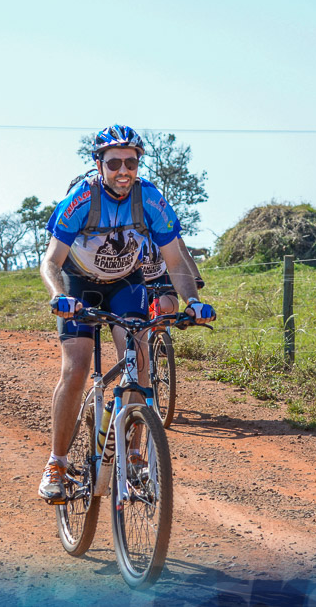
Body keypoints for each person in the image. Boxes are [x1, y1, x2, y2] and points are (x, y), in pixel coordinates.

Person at [37, 124, 215, 502]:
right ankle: (57, 461)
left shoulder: (150, 199)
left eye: (130, 162)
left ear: (138, 164)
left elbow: (175, 259)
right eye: (114, 162)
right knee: (77, 368)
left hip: (125, 283)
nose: (123, 170)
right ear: (98, 163)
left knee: (140, 362)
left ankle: (134, 454)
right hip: (79, 283)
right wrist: (58, 295)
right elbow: (51, 261)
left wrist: (192, 302)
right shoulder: (81, 198)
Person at [140, 234, 204, 319]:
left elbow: (182, 251)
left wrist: (196, 276)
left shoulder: (165, 224)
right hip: (132, 276)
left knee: (168, 308)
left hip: (159, 275)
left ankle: (161, 330)